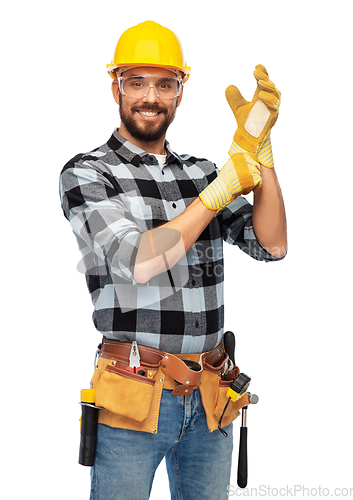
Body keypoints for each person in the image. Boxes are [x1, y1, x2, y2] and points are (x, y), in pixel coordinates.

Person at [60, 20, 287, 500]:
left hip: (211, 394)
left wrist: (262, 159)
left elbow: (272, 245)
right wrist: (217, 193)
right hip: (134, 392)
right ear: (115, 86)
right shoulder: (88, 173)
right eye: (136, 82)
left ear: (181, 92)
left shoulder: (201, 172)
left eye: (165, 84)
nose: (150, 96)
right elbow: (137, 261)